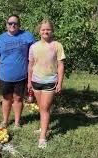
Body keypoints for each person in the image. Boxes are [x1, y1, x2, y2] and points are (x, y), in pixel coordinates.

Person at [0, 14, 35, 128]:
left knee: (18, 98)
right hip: (5, 75)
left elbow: (35, 53)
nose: (13, 25)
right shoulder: (0, 39)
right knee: (6, 98)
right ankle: (5, 121)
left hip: (21, 75)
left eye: (15, 23)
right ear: (6, 25)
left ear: (19, 25)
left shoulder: (27, 36)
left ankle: (17, 122)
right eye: (10, 23)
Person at [28, 20, 65, 148]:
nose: (45, 31)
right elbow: (30, 65)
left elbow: (60, 65)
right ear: (39, 32)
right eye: (43, 29)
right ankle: (44, 127)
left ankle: (42, 137)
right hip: (36, 81)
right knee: (42, 107)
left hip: (50, 81)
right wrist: (29, 82)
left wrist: (59, 82)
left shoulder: (57, 45)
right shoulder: (33, 47)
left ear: (52, 31)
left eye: (48, 29)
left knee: (44, 108)